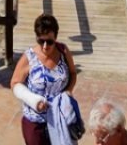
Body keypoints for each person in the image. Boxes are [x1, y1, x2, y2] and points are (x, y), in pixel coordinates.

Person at [11, 12, 79, 145]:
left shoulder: (63, 51)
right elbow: (15, 83)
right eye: (41, 41)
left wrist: (68, 91)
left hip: (60, 119)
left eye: (50, 41)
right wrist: (34, 100)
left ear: (56, 38)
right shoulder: (29, 57)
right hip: (35, 121)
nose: (45, 46)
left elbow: (73, 73)